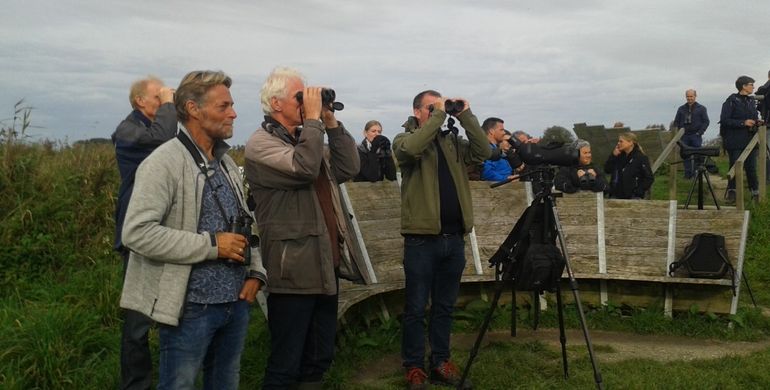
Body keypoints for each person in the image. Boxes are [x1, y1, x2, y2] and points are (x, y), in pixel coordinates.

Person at [120, 70, 266, 390]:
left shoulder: (226, 162)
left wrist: (256, 272)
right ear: (193, 109)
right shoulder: (163, 162)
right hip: (190, 309)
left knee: (226, 383)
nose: (234, 113)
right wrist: (212, 245)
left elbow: (244, 219)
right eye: (224, 106)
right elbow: (136, 232)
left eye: (232, 105)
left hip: (236, 303)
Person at [243, 67, 362, 389]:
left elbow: (349, 167)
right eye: (300, 96)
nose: (306, 101)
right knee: (287, 361)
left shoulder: (305, 139)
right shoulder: (260, 145)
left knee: (318, 357)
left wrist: (330, 122)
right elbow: (304, 169)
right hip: (292, 270)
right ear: (276, 103)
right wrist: (313, 122)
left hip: (324, 263)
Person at [393, 90, 490, 389]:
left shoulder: (452, 143)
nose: (439, 112)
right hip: (421, 241)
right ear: (417, 111)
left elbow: (483, 152)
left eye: (441, 108)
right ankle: (413, 367)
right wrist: (437, 116)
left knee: (445, 306)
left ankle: (440, 361)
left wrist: (465, 115)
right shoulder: (403, 139)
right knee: (416, 307)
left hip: (453, 239)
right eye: (432, 108)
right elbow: (410, 150)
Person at [111, 75, 176, 390]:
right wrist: (169, 104)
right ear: (140, 100)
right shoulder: (127, 131)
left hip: (165, 233)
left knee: (172, 316)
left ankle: (173, 379)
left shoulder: (153, 128)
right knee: (138, 322)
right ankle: (136, 385)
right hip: (138, 237)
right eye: (158, 96)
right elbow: (163, 139)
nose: (164, 100)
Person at [720, 75, 760, 203]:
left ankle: (755, 194)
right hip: (735, 140)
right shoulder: (730, 101)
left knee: (751, 168)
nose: (753, 87)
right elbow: (725, 121)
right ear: (743, 86)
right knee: (735, 167)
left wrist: (757, 122)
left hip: (750, 140)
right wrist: (743, 123)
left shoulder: (751, 101)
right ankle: (732, 193)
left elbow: (753, 117)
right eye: (751, 84)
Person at [673, 89, 710, 179]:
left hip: (695, 136)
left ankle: (697, 174)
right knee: (685, 155)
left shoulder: (701, 108)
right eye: (688, 96)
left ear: (695, 96)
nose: (689, 98)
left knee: (697, 155)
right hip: (684, 136)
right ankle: (687, 175)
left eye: (691, 96)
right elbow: (676, 122)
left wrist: (700, 132)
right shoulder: (681, 109)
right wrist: (678, 133)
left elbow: (706, 121)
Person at [604, 132, 654, 199]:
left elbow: (649, 178)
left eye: (621, 141)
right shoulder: (617, 156)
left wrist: (638, 191)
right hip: (615, 195)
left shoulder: (640, 158)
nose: (618, 143)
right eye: (618, 141)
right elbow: (607, 170)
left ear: (630, 143)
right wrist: (613, 156)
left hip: (633, 197)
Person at [480, 117, 516, 182]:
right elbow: (487, 173)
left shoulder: (495, 149)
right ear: (491, 131)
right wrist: (507, 179)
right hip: (496, 190)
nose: (504, 132)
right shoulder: (488, 151)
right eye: (501, 130)